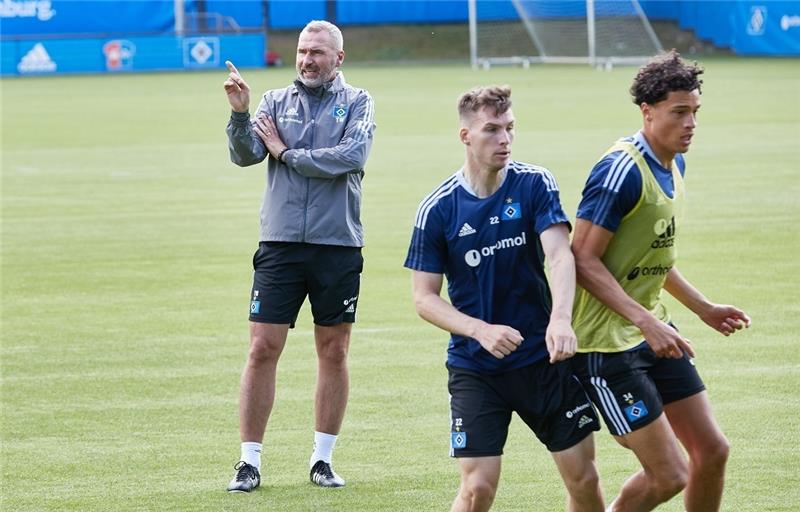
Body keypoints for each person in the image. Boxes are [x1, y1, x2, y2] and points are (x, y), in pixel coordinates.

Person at [404, 85, 605, 512]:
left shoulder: (534, 183)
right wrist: (480, 331)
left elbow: (559, 254)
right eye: (492, 130)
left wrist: (562, 320)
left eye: (510, 128)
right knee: (478, 489)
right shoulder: (437, 209)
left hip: (544, 361)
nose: (505, 140)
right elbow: (424, 298)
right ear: (465, 136)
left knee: (583, 479)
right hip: (477, 368)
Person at [570, 50, 751, 512]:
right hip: (604, 347)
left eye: (694, 112)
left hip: (650, 333)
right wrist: (647, 323)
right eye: (679, 112)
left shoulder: (674, 164)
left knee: (713, 451)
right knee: (670, 474)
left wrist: (703, 308)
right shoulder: (620, 171)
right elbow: (583, 261)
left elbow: (650, 259)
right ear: (648, 112)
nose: (690, 123)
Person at [222, 20, 376, 492]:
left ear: (338, 59)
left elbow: (349, 158)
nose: (308, 60)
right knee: (261, 347)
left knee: (333, 350)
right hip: (281, 243)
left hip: (337, 244)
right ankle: (249, 461)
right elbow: (246, 156)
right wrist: (241, 115)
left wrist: (287, 155)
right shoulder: (273, 101)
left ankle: (322, 459)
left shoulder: (359, 103)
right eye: (303, 51)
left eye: (318, 53)